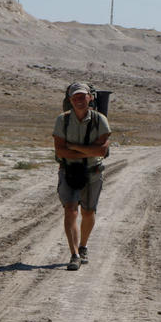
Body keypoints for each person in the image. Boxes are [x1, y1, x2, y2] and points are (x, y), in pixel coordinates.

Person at [52, 82, 111, 271]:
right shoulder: (62, 120)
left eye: (82, 96)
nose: (79, 100)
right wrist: (88, 151)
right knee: (70, 210)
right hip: (68, 171)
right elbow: (60, 150)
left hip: (92, 172)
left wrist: (74, 147)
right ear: (70, 100)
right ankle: (75, 254)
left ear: (90, 97)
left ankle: (83, 246)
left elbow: (102, 150)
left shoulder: (99, 120)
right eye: (75, 97)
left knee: (88, 212)